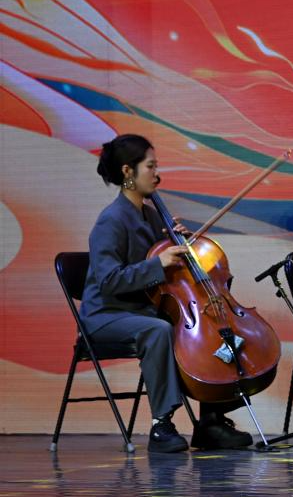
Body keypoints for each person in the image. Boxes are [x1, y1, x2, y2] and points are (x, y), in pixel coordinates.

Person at [80, 134, 253, 453]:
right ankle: (162, 425)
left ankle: (212, 421)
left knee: (208, 331)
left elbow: (164, 268)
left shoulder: (151, 215)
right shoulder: (111, 220)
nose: (156, 174)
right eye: (150, 166)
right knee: (159, 329)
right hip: (107, 314)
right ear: (128, 171)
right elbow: (109, 281)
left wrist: (178, 241)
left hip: (140, 309)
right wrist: (159, 263)